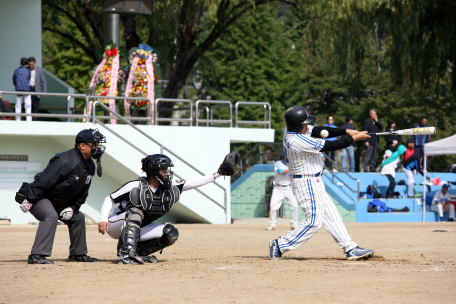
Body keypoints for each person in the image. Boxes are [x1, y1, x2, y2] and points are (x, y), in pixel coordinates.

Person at [268, 106, 374, 261]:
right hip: (306, 182)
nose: (307, 125)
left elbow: (318, 130)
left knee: (332, 215)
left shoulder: (292, 130)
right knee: (314, 222)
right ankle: (280, 245)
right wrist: (354, 139)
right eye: (304, 123)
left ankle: (350, 247)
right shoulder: (297, 140)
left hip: (315, 179)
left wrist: (345, 131)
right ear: (297, 126)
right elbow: (331, 146)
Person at [98, 153, 233, 265]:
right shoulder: (136, 185)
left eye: (166, 170)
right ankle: (126, 255)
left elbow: (191, 183)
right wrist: (103, 219)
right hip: (116, 224)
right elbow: (110, 198)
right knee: (136, 213)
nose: (166, 173)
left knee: (170, 233)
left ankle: (136, 253)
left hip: (137, 227)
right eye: (163, 170)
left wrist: (217, 174)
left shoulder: (169, 186)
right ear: (153, 171)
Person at [14, 129, 106, 264]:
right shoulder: (64, 160)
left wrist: (72, 207)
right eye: (95, 144)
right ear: (82, 146)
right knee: (50, 215)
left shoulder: (90, 165)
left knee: (78, 217)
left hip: (57, 201)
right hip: (39, 196)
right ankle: (36, 255)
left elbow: (83, 192)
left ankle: (77, 254)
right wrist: (30, 199)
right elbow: (44, 180)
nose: (98, 147)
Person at [267, 155, 298, 231]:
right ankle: (272, 224)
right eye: (286, 158)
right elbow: (282, 171)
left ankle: (294, 225)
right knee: (273, 207)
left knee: (294, 206)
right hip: (278, 188)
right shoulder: (278, 163)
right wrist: (293, 169)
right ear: (283, 158)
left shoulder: (293, 164)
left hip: (289, 188)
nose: (287, 160)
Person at [12, 57, 31, 121]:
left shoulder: (16, 70)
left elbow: (14, 80)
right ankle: (28, 121)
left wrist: (17, 87)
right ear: (27, 64)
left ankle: (18, 120)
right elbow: (29, 79)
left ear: (20, 63)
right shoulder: (28, 71)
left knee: (18, 106)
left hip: (19, 89)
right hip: (26, 90)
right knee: (28, 106)